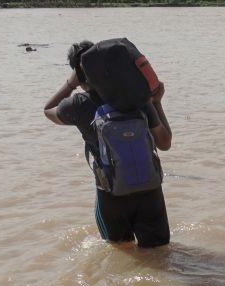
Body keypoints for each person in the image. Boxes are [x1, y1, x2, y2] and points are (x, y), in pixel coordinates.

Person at [43, 40, 173, 248]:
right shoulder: (136, 98)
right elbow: (164, 143)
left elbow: (48, 111)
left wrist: (71, 83)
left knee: (120, 256)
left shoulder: (78, 105)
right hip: (150, 190)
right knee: (160, 254)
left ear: (79, 73)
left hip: (112, 195)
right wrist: (156, 102)